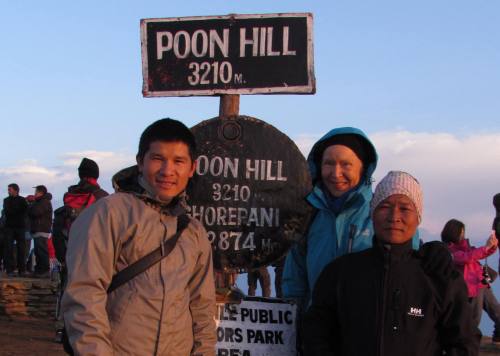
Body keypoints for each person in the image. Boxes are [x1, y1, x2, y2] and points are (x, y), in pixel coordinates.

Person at [61, 118, 216, 355]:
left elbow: (202, 309)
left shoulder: (193, 232)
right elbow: (84, 295)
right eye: (157, 159)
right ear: (140, 162)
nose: (167, 171)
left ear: (191, 168)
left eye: (178, 161)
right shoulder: (109, 214)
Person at [303, 171, 479, 355]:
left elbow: (464, 341)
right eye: (385, 206)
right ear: (372, 213)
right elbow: (317, 331)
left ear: (418, 217)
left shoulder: (437, 276)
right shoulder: (341, 272)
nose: (394, 216)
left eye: (405, 208)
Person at [282, 127, 419, 308]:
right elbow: (295, 278)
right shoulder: (309, 214)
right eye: (329, 163)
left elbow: (409, 275)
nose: (336, 173)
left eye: (346, 164)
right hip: (318, 328)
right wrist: (295, 321)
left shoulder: (383, 214)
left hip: (368, 329)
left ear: (363, 168)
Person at [441, 218, 500, 342]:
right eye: (461, 232)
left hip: (481, 284)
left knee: (496, 310)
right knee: (474, 318)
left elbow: (478, 254)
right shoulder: (450, 251)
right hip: (472, 288)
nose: (463, 235)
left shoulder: (466, 247)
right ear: (454, 232)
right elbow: (468, 258)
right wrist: (486, 247)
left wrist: (492, 246)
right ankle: (466, 342)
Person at [27, 185, 53, 278]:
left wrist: (31, 204)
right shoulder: (41, 201)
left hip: (41, 229)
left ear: (41, 192)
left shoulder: (43, 202)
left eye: (36, 192)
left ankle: (44, 271)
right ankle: (39, 271)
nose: (35, 194)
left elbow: (35, 212)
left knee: (41, 251)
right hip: (39, 229)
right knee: (38, 251)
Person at [3, 183, 28, 277]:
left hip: (20, 227)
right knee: (8, 248)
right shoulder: (6, 200)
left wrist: (14, 211)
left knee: (21, 249)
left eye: (10, 189)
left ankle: (22, 270)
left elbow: (24, 211)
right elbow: (7, 211)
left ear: (16, 190)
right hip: (9, 227)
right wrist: (17, 211)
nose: (8, 191)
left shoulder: (22, 200)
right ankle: (9, 269)